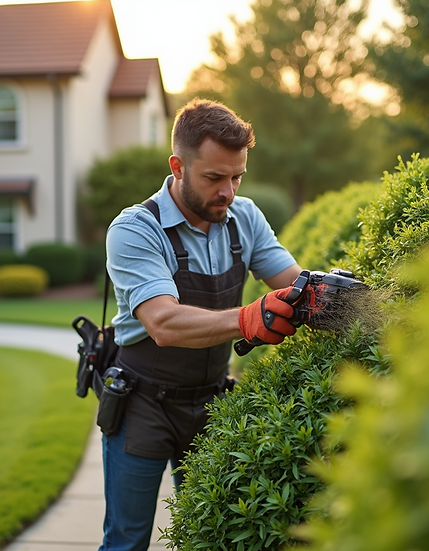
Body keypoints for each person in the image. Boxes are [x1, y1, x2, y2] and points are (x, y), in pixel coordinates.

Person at [101, 98, 303, 551]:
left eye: (236, 177)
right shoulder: (135, 229)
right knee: (127, 540)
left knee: (212, 536)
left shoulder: (244, 217)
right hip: (142, 404)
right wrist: (250, 317)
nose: (228, 192)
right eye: (214, 178)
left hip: (212, 401)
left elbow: (293, 283)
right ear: (178, 166)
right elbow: (164, 323)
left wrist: (339, 294)